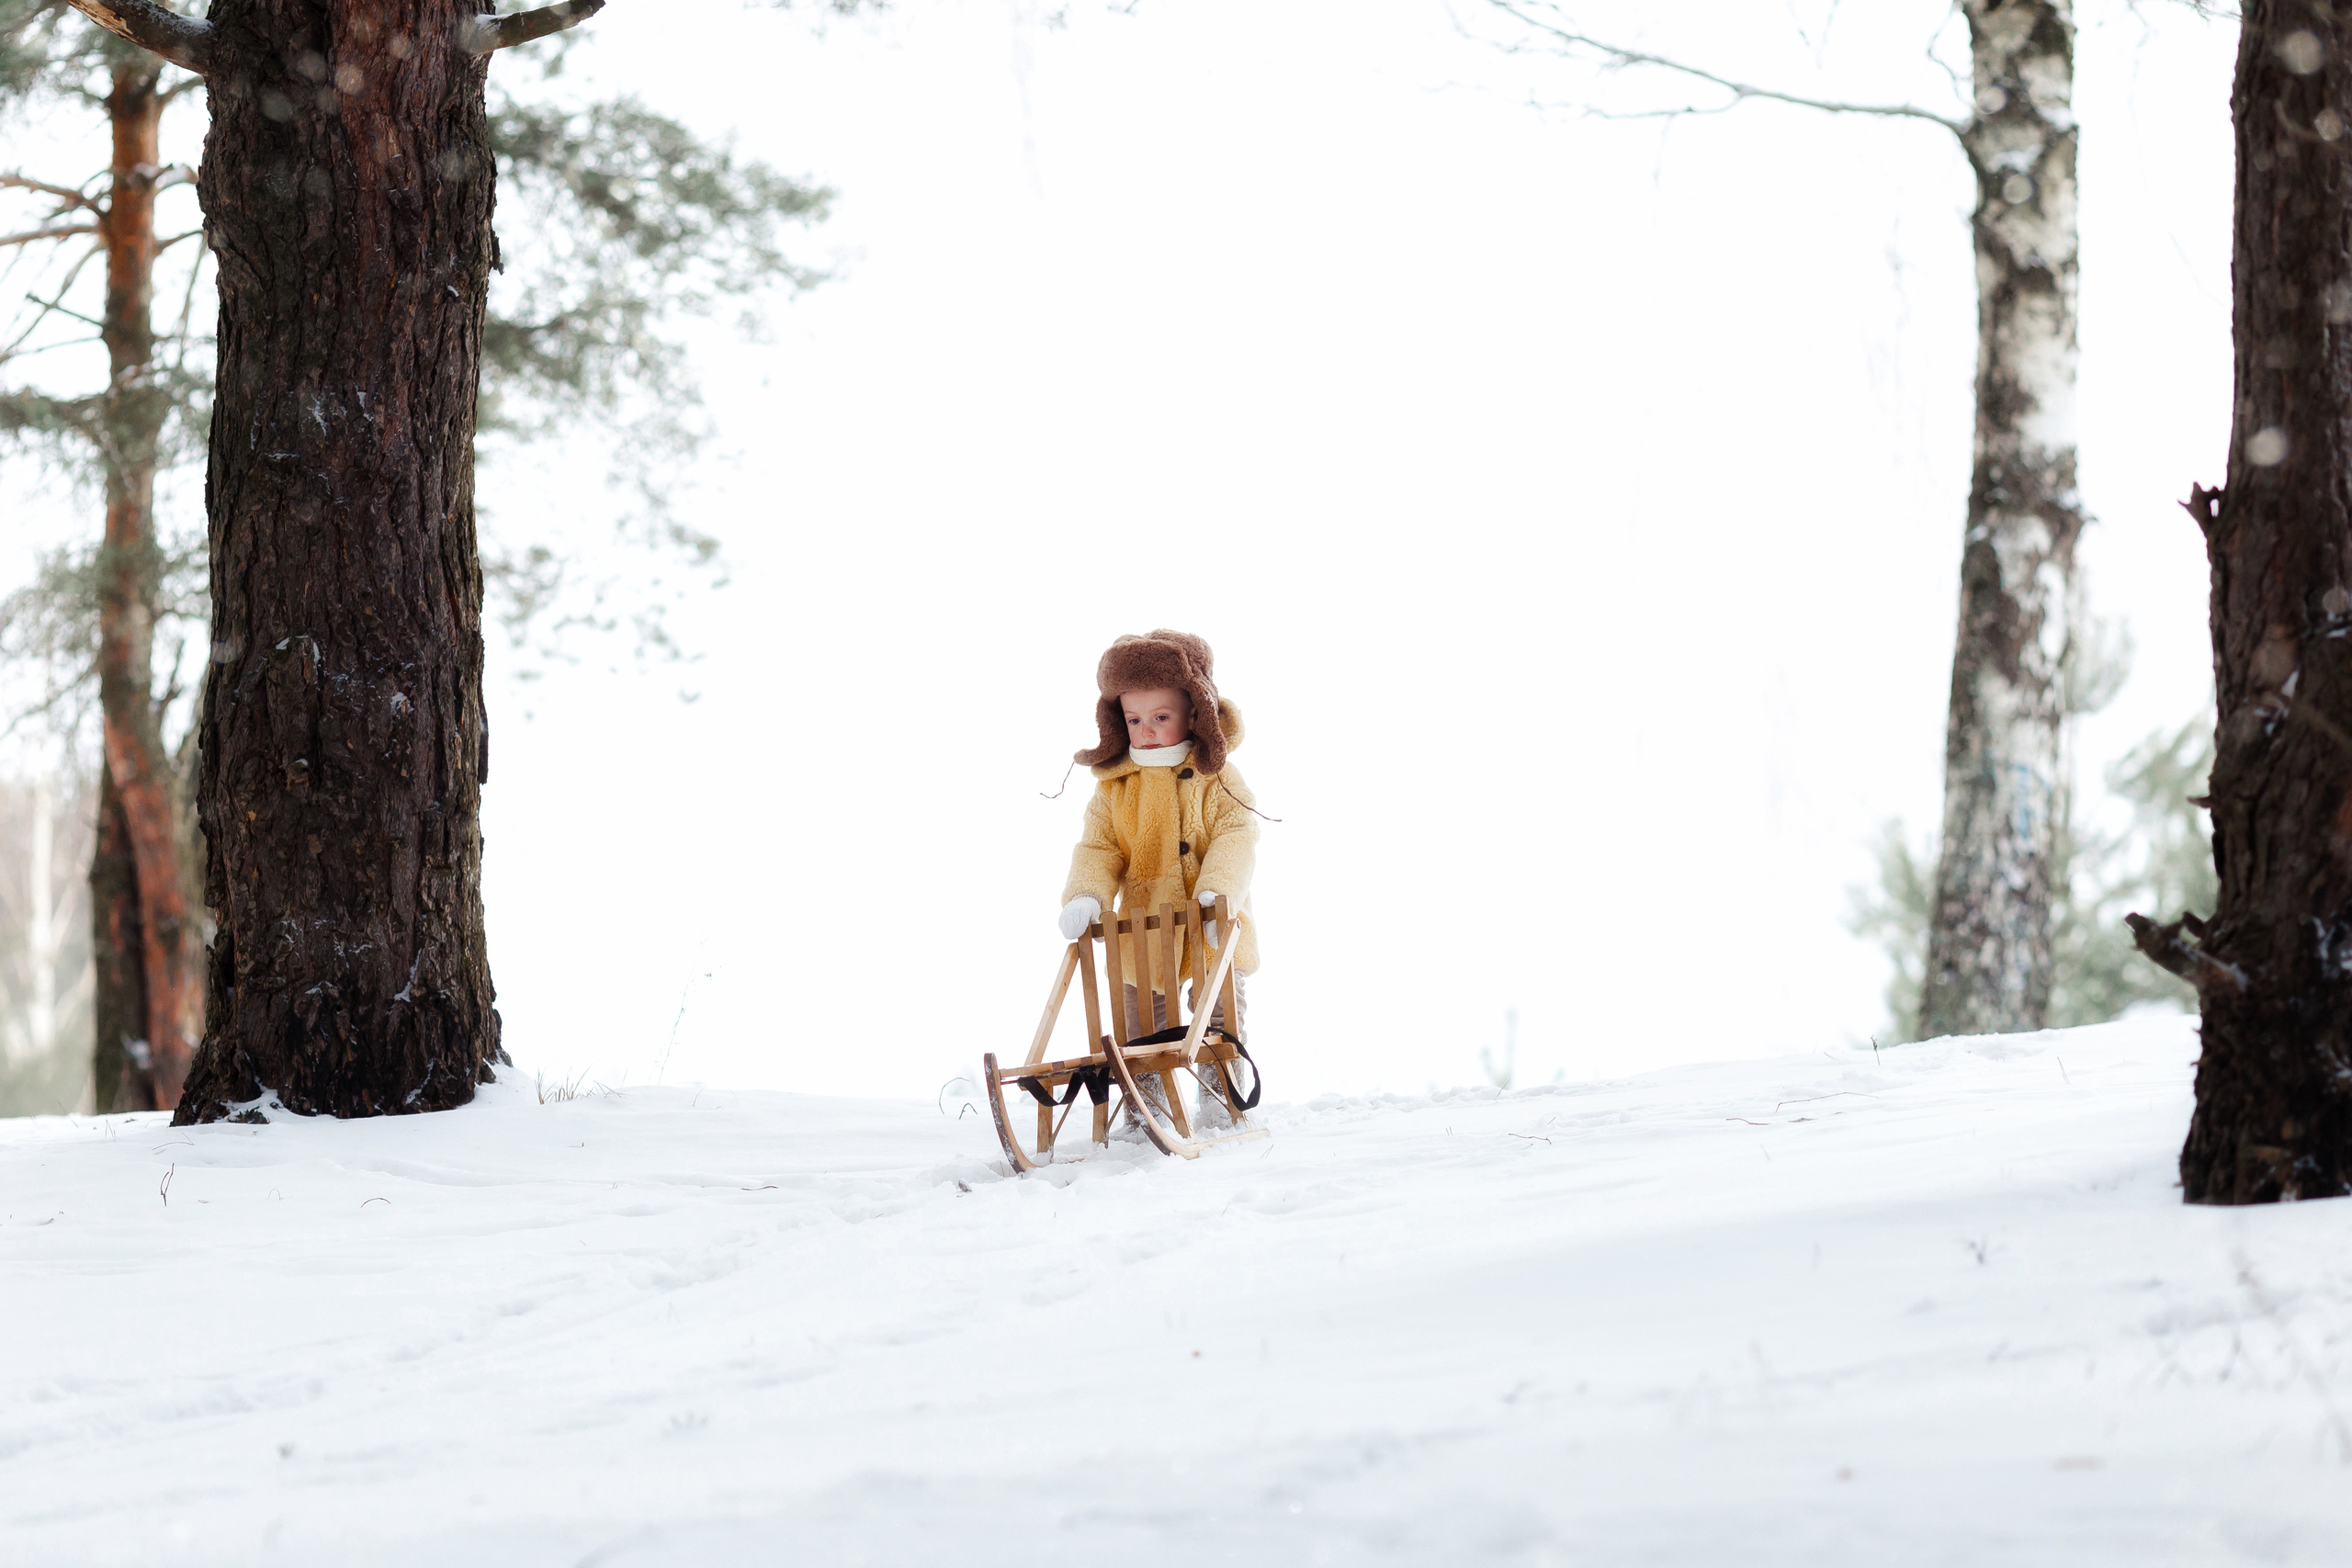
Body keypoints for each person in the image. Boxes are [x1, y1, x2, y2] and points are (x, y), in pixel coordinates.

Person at [1058, 630, 1260, 1128]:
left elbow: (1238, 833)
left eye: (1160, 717)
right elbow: (1100, 846)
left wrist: (1220, 894)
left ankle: (1221, 1103)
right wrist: (1087, 892)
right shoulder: (1116, 788)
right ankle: (1146, 1110)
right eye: (1134, 720)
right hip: (1144, 927)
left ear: (1195, 713)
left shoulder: (1218, 778)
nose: (1145, 730)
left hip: (1210, 918)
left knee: (1219, 1012)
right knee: (1142, 1023)